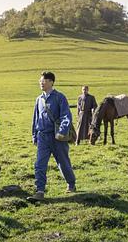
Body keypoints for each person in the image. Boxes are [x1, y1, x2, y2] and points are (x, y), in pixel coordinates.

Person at [27, 71, 76, 202]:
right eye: (40, 81)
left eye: (43, 81)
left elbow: (66, 116)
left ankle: (71, 183)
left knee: (63, 162)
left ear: (51, 82)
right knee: (39, 164)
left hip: (57, 137)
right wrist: (34, 135)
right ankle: (40, 191)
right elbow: (35, 118)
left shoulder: (60, 97)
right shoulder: (39, 99)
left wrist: (62, 131)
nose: (41, 83)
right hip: (42, 136)